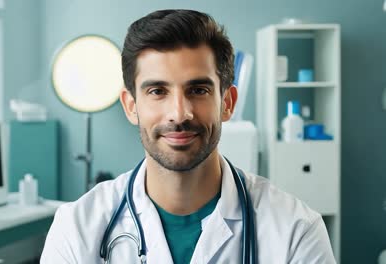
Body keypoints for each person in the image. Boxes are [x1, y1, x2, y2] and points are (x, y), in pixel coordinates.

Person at [41, 9, 336, 264]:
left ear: (228, 103)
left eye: (198, 90)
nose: (179, 113)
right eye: (157, 91)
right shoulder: (77, 228)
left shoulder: (296, 230)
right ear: (131, 106)